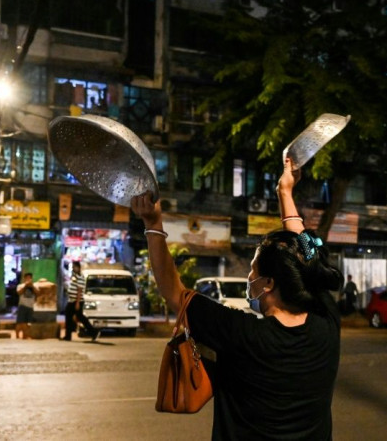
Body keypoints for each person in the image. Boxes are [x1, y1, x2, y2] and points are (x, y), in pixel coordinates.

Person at [131, 158, 343, 439]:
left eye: (252, 269)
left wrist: (153, 223)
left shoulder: (242, 333)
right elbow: (309, 258)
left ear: (268, 283)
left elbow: (174, 292)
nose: (249, 276)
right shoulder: (326, 321)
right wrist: (285, 193)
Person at [62, 262, 100, 341]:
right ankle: (68, 335)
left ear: (78, 267)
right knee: (73, 317)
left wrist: (77, 303)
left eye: (74, 267)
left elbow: (79, 290)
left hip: (76, 301)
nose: (73, 269)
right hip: (72, 300)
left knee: (79, 317)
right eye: (73, 267)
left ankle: (93, 332)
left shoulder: (80, 277)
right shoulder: (75, 276)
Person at [15, 272, 38, 339]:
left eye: (30, 278)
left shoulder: (34, 286)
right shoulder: (20, 285)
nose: (28, 279)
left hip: (30, 306)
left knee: (28, 323)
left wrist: (32, 286)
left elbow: (38, 293)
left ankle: (25, 335)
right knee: (20, 322)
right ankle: (18, 335)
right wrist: (25, 286)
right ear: (24, 278)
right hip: (22, 305)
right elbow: (19, 292)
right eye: (27, 278)